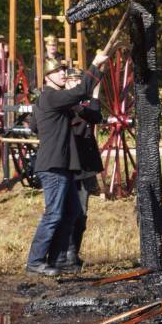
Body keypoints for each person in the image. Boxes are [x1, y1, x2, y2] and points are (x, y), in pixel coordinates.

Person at [26, 51, 109, 276]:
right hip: (53, 165)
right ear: (47, 77)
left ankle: (58, 259)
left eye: (63, 69)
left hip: (62, 165)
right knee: (53, 214)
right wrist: (94, 64)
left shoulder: (53, 100)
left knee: (71, 211)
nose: (62, 73)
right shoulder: (51, 96)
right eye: (57, 71)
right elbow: (80, 92)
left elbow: (35, 126)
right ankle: (35, 262)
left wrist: (97, 74)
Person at [55, 69, 104, 273]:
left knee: (81, 213)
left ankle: (73, 253)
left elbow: (95, 116)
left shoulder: (87, 102)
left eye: (78, 80)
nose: (75, 84)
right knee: (63, 212)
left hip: (84, 165)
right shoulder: (60, 101)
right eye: (71, 81)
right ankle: (62, 253)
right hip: (67, 163)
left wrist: (85, 99)